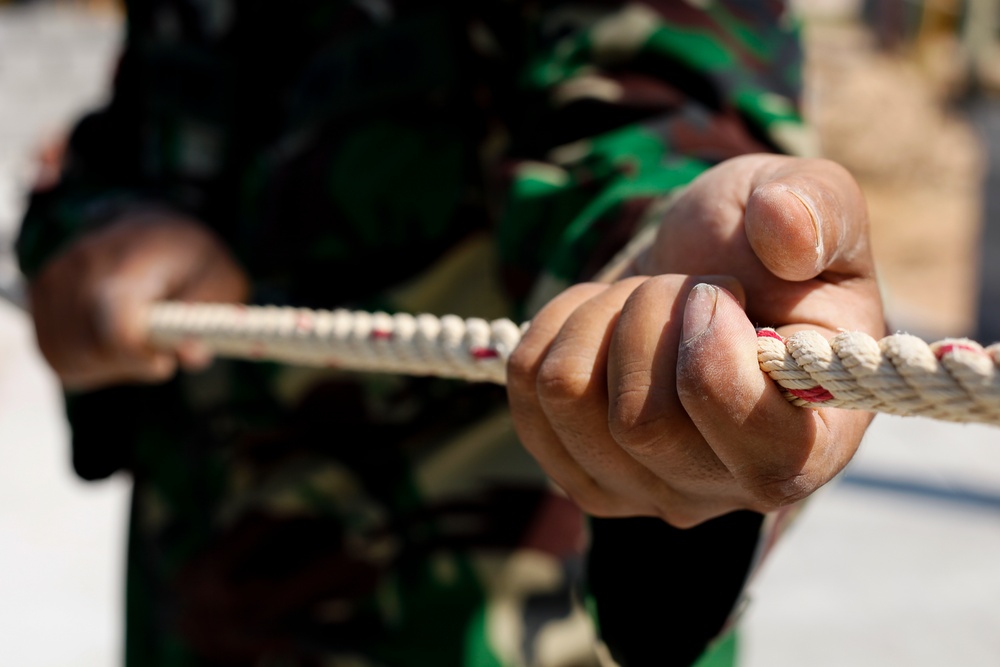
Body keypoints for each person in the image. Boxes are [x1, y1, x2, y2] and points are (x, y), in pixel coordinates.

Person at [18, 2, 884, 666]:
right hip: (195, 602)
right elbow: (132, 131)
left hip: (497, 622)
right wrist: (93, 228)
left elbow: (646, 100)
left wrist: (668, 274)